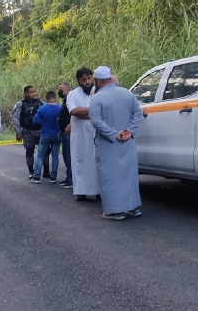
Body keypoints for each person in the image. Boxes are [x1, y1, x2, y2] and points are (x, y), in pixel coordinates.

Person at [89, 66, 144, 220]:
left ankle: (114, 211)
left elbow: (96, 121)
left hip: (108, 144)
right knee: (129, 175)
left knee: (109, 176)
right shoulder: (128, 94)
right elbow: (138, 114)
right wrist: (129, 131)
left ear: (98, 81)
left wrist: (114, 133)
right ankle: (133, 207)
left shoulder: (96, 98)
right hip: (128, 141)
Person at [67, 67, 100, 201]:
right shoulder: (73, 94)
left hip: (96, 133)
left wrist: (86, 113)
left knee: (96, 162)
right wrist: (94, 112)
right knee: (80, 162)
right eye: (83, 79)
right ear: (78, 81)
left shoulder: (98, 92)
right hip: (80, 136)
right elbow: (74, 112)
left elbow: (103, 110)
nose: (87, 82)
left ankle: (98, 191)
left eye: (88, 78)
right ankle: (81, 191)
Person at [12, 86, 50, 180]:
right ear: (26, 94)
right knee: (29, 151)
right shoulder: (20, 104)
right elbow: (15, 119)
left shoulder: (40, 102)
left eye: (34, 92)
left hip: (40, 130)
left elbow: (48, 111)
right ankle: (31, 171)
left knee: (45, 150)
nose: (34, 94)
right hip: (27, 131)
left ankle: (46, 171)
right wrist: (18, 132)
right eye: (31, 92)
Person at [30, 91, 62, 183]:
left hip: (45, 134)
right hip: (57, 134)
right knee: (55, 155)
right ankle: (53, 177)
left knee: (40, 155)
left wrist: (42, 122)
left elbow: (35, 121)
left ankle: (36, 176)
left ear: (47, 98)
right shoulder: (60, 108)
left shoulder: (42, 108)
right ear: (54, 97)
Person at [57, 82, 73, 188]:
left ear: (67, 90)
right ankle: (68, 178)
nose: (59, 92)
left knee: (69, 157)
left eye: (61, 90)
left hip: (68, 133)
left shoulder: (70, 100)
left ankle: (71, 180)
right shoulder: (65, 100)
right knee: (66, 155)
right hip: (63, 132)